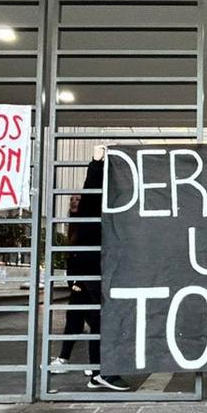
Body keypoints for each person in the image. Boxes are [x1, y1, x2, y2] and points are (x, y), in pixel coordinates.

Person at [54, 145, 130, 391]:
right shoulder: (91, 209)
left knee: (98, 319)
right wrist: (97, 161)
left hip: (97, 271)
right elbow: (92, 186)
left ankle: (98, 371)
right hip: (93, 271)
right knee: (102, 319)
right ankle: (100, 371)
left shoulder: (107, 212)